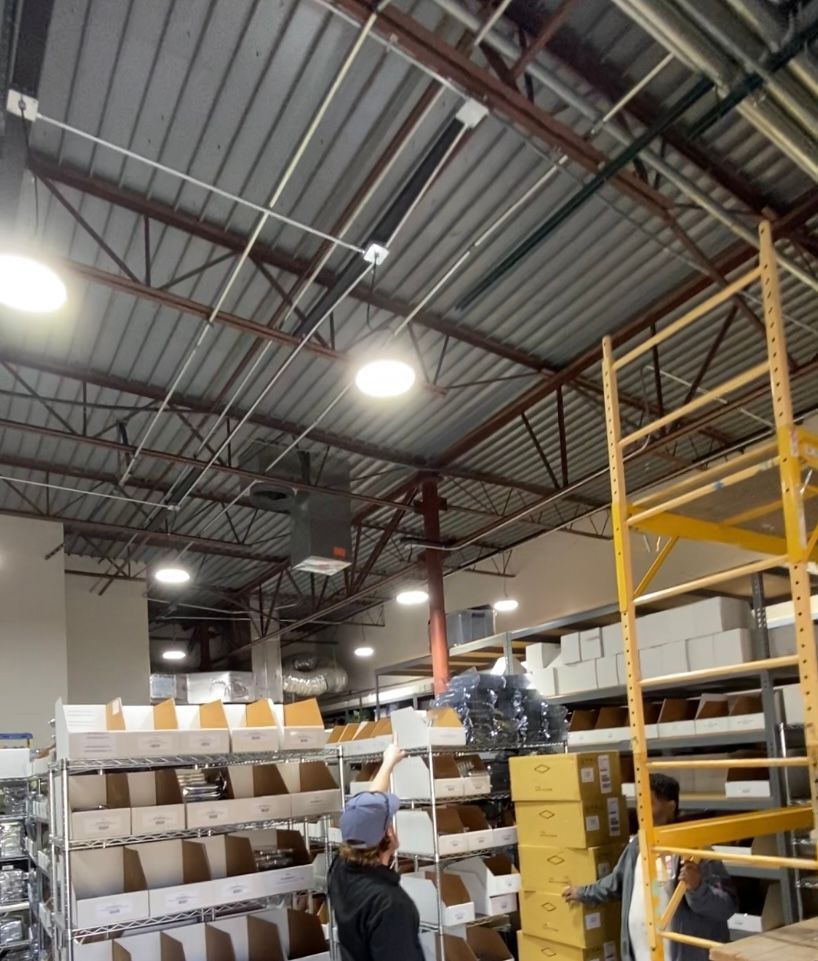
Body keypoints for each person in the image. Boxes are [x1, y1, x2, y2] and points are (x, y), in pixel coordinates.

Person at [562, 774, 737, 961]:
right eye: (639, 803)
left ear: (671, 807)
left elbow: (726, 907)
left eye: (649, 803)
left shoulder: (697, 851)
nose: (641, 811)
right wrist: (582, 892)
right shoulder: (637, 846)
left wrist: (697, 887)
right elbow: (616, 883)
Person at [327, 743, 425, 961]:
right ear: (388, 834)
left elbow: (365, 811)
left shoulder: (340, 871)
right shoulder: (391, 904)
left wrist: (388, 763)